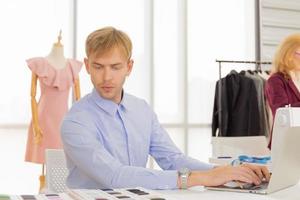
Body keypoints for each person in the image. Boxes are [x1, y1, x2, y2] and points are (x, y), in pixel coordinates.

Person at [61, 26, 270, 190]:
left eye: (115, 67)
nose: (107, 77)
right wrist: (202, 178)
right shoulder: (76, 121)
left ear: (129, 67)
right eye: (98, 67)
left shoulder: (141, 109)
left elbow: (172, 159)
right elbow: (114, 176)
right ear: (87, 66)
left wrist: (229, 171)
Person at [25, 31, 83, 191]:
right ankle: (42, 188)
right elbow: (32, 96)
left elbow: (79, 99)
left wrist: (78, 124)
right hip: (43, 118)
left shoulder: (72, 67)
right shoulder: (40, 65)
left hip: (64, 119)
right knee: (45, 158)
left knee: (61, 159)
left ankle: (57, 190)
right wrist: (36, 125)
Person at [265, 33, 300, 149]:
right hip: (286, 142)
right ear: (288, 55)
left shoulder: (297, 79)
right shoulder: (275, 81)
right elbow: (281, 110)